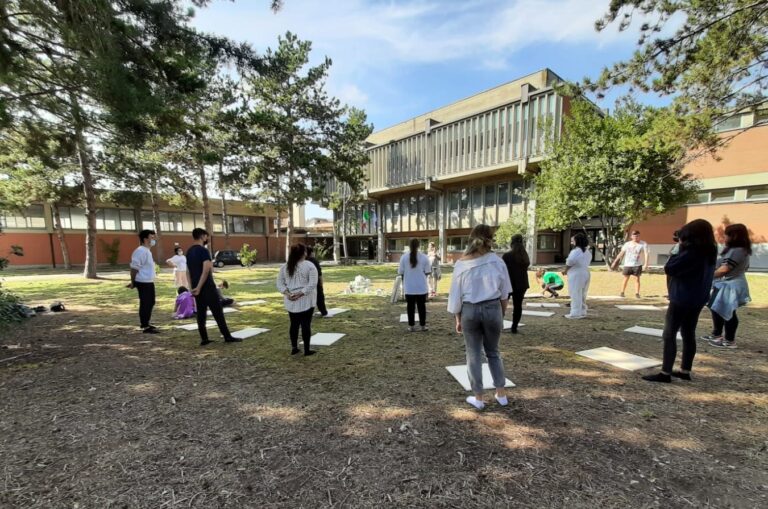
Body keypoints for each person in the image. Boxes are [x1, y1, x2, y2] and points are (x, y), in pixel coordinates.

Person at [643, 219, 717, 383]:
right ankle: (685, 370)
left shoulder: (691, 253)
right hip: (698, 297)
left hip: (682, 298)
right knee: (688, 333)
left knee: (669, 334)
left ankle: (665, 373)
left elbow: (669, 268)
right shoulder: (710, 250)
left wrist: (677, 250)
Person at [448, 224, 512, 410]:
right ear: (490, 239)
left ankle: (478, 397)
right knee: (493, 351)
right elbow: (504, 292)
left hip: (470, 311)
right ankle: (501, 393)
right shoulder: (497, 261)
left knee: (473, 354)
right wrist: (501, 313)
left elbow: (455, 296)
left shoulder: (461, 264)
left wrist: (458, 319)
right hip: (493, 308)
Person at [186, 228, 240, 346]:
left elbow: (187, 271)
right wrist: (200, 287)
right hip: (207, 287)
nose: (207, 239)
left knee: (201, 313)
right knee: (217, 312)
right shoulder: (203, 251)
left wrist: (192, 287)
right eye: (206, 236)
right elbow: (206, 270)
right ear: (202, 236)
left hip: (196, 287)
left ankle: (204, 339)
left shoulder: (189, 251)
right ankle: (227, 336)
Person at [703, 223, 752, 349]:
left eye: (726, 235)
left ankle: (729, 340)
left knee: (728, 311)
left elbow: (724, 269)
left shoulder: (738, 251)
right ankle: (716, 334)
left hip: (731, 285)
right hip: (724, 283)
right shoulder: (733, 250)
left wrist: (707, 277)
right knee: (715, 308)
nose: (724, 237)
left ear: (734, 236)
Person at [276, 243, 319, 356]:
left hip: (291, 300)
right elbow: (312, 284)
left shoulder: (284, 267)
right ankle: (306, 349)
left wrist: (288, 294)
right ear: (303, 253)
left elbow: (279, 284)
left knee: (294, 324)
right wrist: (300, 293)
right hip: (306, 299)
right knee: (306, 324)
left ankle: (294, 347)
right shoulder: (309, 265)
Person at [127, 229, 159, 334]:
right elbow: (134, 268)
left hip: (148, 281)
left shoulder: (147, 251)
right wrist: (133, 282)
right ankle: (145, 325)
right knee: (146, 303)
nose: (153, 240)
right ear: (145, 239)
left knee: (150, 302)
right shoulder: (140, 251)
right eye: (152, 238)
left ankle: (146, 323)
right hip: (143, 282)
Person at [398, 238, 431, 332]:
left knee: (410, 306)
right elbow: (427, 272)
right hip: (421, 286)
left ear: (409, 245)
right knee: (422, 306)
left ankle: (411, 326)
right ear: (419, 245)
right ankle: (423, 326)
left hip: (409, 286)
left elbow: (401, 272)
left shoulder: (403, 257)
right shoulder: (424, 257)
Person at [501, 234, 530, 333]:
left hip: (509, 283)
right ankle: (514, 327)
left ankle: (499, 324)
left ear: (511, 242)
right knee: (518, 306)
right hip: (522, 284)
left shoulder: (507, 256)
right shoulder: (525, 256)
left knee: (502, 305)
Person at [562, 233, 592, 319]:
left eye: (573, 241)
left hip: (576, 274)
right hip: (585, 272)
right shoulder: (587, 252)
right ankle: (582, 311)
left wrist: (565, 270)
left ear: (577, 241)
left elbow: (570, 261)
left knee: (575, 293)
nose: (572, 243)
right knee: (583, 293)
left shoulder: (575, 251)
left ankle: (575, 313)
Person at [611, 230, 648, 298]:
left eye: (637, 236)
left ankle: (637, 293)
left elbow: (646, 254)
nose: (636, 237)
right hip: (628, 264)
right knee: (625, 278)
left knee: (637, 279)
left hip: (637, 265)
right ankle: (622, 292)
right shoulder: (627, 244)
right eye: (634, 236)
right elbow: (621, 252)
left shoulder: (643, 244)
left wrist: (646, 264)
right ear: (631, 236)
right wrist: (615, 260)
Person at [306, 246, 328, 317]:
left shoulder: (303, 261)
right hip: (315, 282)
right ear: (311, 253)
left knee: (308, 297)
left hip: (306, 282)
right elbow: (319, 273)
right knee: (320, 297)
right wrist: (321, 282)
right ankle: (323, 312)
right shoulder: (313, 260)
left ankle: (308, 312)